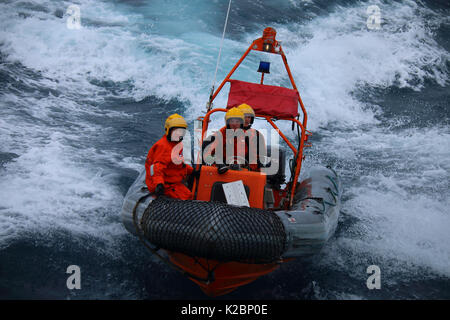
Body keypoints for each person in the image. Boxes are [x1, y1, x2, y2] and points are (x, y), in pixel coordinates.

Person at [145, 114, 193, 200]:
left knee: (189, 193)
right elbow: (157, 168)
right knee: (187, 197)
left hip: (172, 180)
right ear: (168, 131)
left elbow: (178, 164)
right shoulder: (163, 147)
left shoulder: (176, 144)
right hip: (165, 184)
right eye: (176, 131)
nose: (179, 133)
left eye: (181, 131)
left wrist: (192, 171)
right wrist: (159, 184)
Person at [203, 107, 246, 174]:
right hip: (223, 169)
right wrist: (218, 163)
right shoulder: (219, 135)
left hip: (242, 169)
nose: (234, 124)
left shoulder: (248, 136)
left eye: (237, 121)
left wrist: (242, 165)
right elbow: (207, 153)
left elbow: (254, 155)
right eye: (232, 121)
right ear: (227, 122)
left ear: (241, 123)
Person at [237, 103, 266, 171]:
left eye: (249, 117)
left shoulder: (257, 135)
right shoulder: (226, 132)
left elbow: (262, 157)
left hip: (250, 171)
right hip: (229, 168)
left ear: (251, 119)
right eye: (244, 117)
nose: (247, 119)